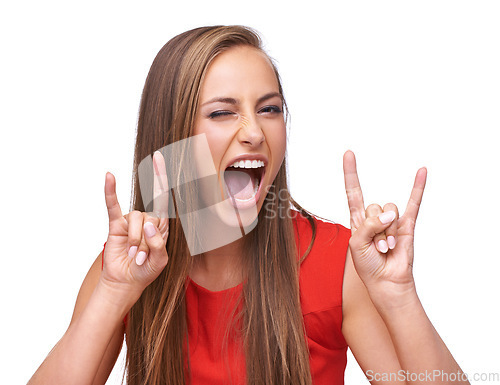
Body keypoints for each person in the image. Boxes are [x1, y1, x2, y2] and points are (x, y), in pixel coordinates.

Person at [28, 25, 469, 385]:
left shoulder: (338, 263)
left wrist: (399, 298)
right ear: (173, 139)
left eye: (270, 109)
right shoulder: (123, 269)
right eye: (223, 113)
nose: (255, 132)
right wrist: (112, 296)